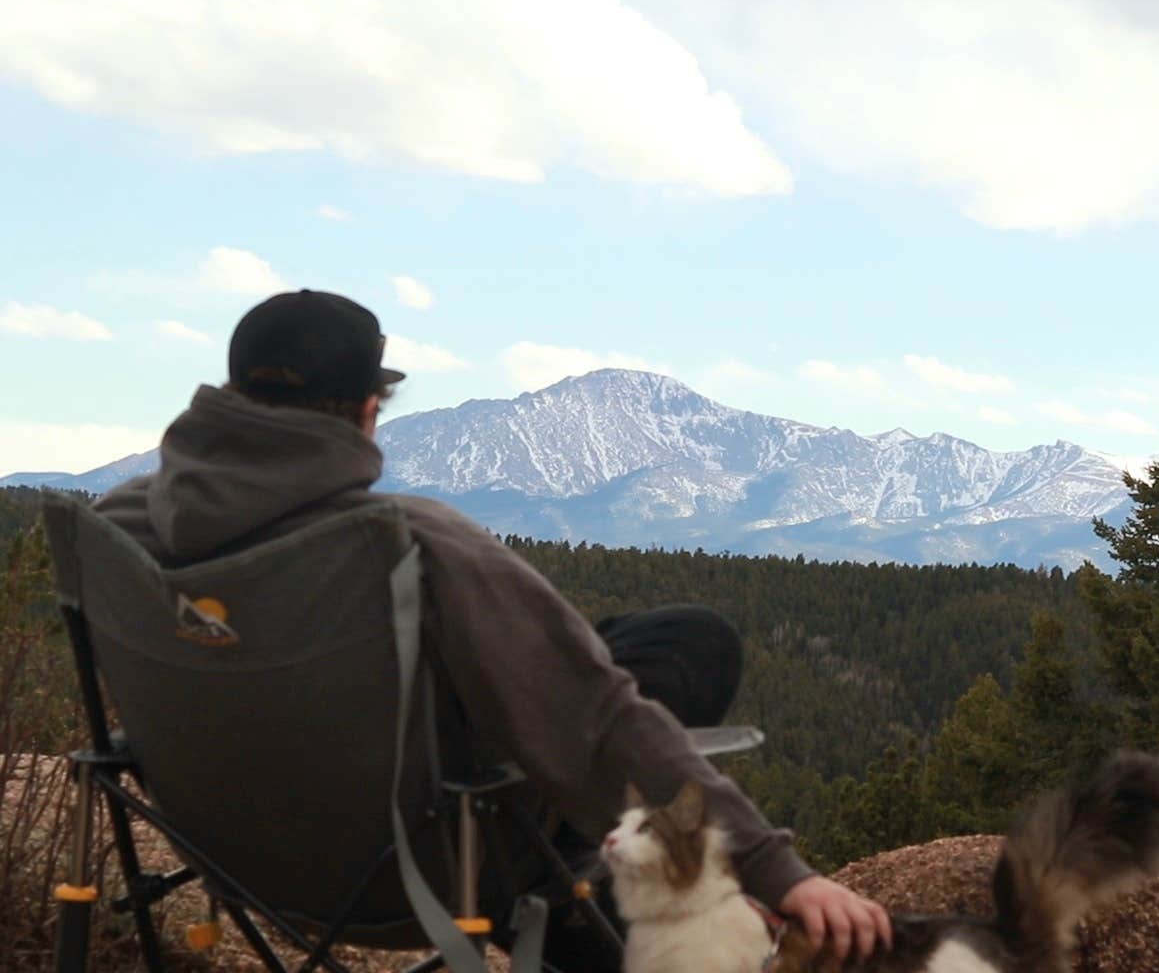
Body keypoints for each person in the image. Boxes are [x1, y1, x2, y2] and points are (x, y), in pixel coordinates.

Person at [96, 289, 890, 969]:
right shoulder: (408, 543)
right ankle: (595, 909)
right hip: (425, 869)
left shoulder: (117, 527)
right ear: (369, 411)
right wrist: (776, 871)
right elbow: (597, 718)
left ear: (228, 399)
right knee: (689, 644)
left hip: (233, 855)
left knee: (636, 642)